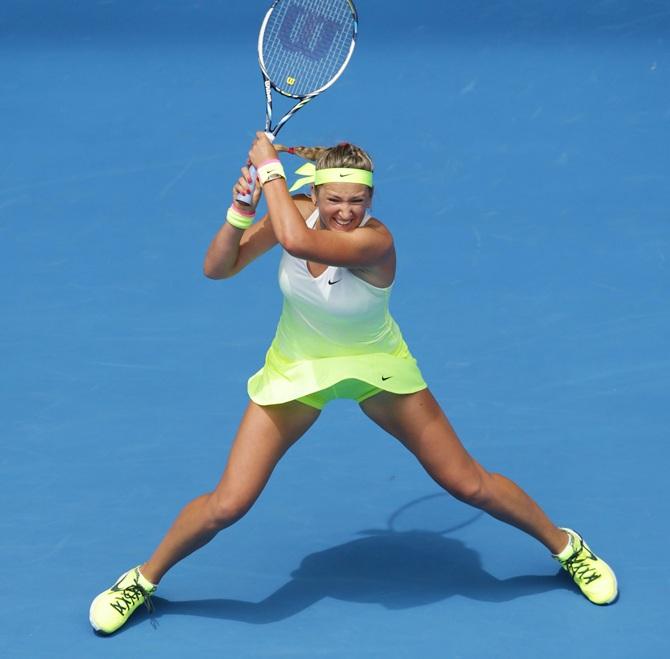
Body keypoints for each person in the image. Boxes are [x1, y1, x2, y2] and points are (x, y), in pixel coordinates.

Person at [89, 133, 618, 634]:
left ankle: (568, 548)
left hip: (375, 366)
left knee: (467, 483)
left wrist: (267, 163)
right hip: (298, 369)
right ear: (313, 192)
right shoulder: (289, 210)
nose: (346, 211)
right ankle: (141, 580)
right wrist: (240, 212)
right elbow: (217, 269)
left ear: (370, 200)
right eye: (334, 198)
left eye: (357, 200)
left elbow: (297, 241)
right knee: (228, 504)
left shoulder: (375, 240)